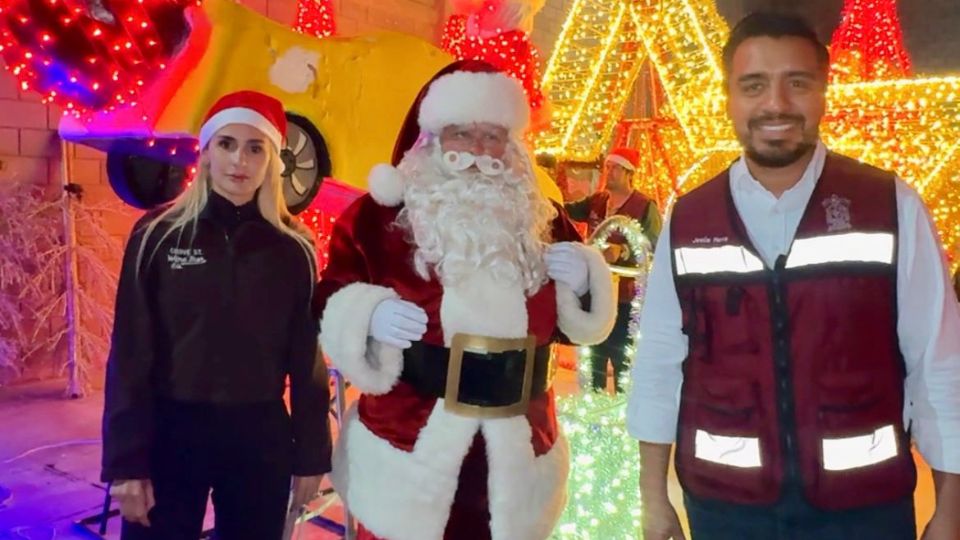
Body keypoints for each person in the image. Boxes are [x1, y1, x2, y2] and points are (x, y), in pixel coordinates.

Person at [627, 12, 960, 540]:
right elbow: (660, 362)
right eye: (754, 85)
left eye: (797, 83)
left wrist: (950, 509)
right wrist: (653, 498)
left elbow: (939, 363)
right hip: (724, 508)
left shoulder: (889, 205)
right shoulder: (689, 218)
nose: (776, 105)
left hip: (864, 509)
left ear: (824, 92)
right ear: (730, 98)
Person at [315, 60, 616, 540]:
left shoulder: (541, 216)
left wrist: (583, 281)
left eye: (492, 135)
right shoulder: (377, 216)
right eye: (461, 134)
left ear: (511, 143)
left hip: (519, 450)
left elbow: (568, 326)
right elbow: (328, 296)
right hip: (409, 450)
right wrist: (366, 312)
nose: (478, 150)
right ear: (432, 137)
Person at [101, 90, 333, 539]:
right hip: (170, 433)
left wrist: (310, 455)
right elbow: (130, 353)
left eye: (254, 147)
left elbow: (307, 361)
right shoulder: (157, 235)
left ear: (272, 160)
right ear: (205, 152)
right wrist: (125, 463)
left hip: (257, 436)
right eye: (226, 144)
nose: (238, 161)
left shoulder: (294, 249)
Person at [566, 147, 661, 393]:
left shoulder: (644, 206)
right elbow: (563, 211)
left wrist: (624, 251)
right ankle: (594, 408)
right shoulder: (597, 202)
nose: (609, 172)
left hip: (626, 299)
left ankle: (623, 413)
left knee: (623, 361)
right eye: (607, 167)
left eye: (616, 168)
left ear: (629, 173)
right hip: (594, 295)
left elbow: (653, 246)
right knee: (594, 356)